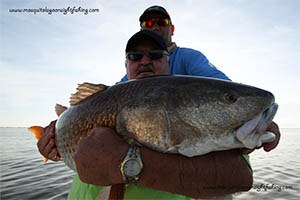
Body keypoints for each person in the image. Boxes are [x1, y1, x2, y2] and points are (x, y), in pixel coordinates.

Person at [38, 6, 281, 200]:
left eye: (156, 55)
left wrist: (249, 115)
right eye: (135, 57)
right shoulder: (122, 90)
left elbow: (238, 175)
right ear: (126, 65)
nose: (145, 61)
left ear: (168, 60)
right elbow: (93, 105)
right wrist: (51, 134)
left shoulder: (191, 63)